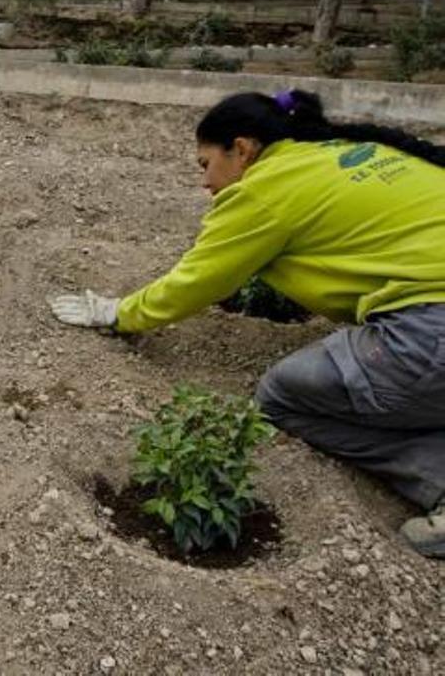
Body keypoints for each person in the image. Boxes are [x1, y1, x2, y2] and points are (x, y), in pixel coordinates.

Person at [49, 90, 445, 558]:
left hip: (431, 332)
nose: (205, 183)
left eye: (204, 164)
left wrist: (119, 313)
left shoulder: (263, 190)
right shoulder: (346, 154)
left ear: (242, 149)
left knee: (280, 396)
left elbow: (198, 280)